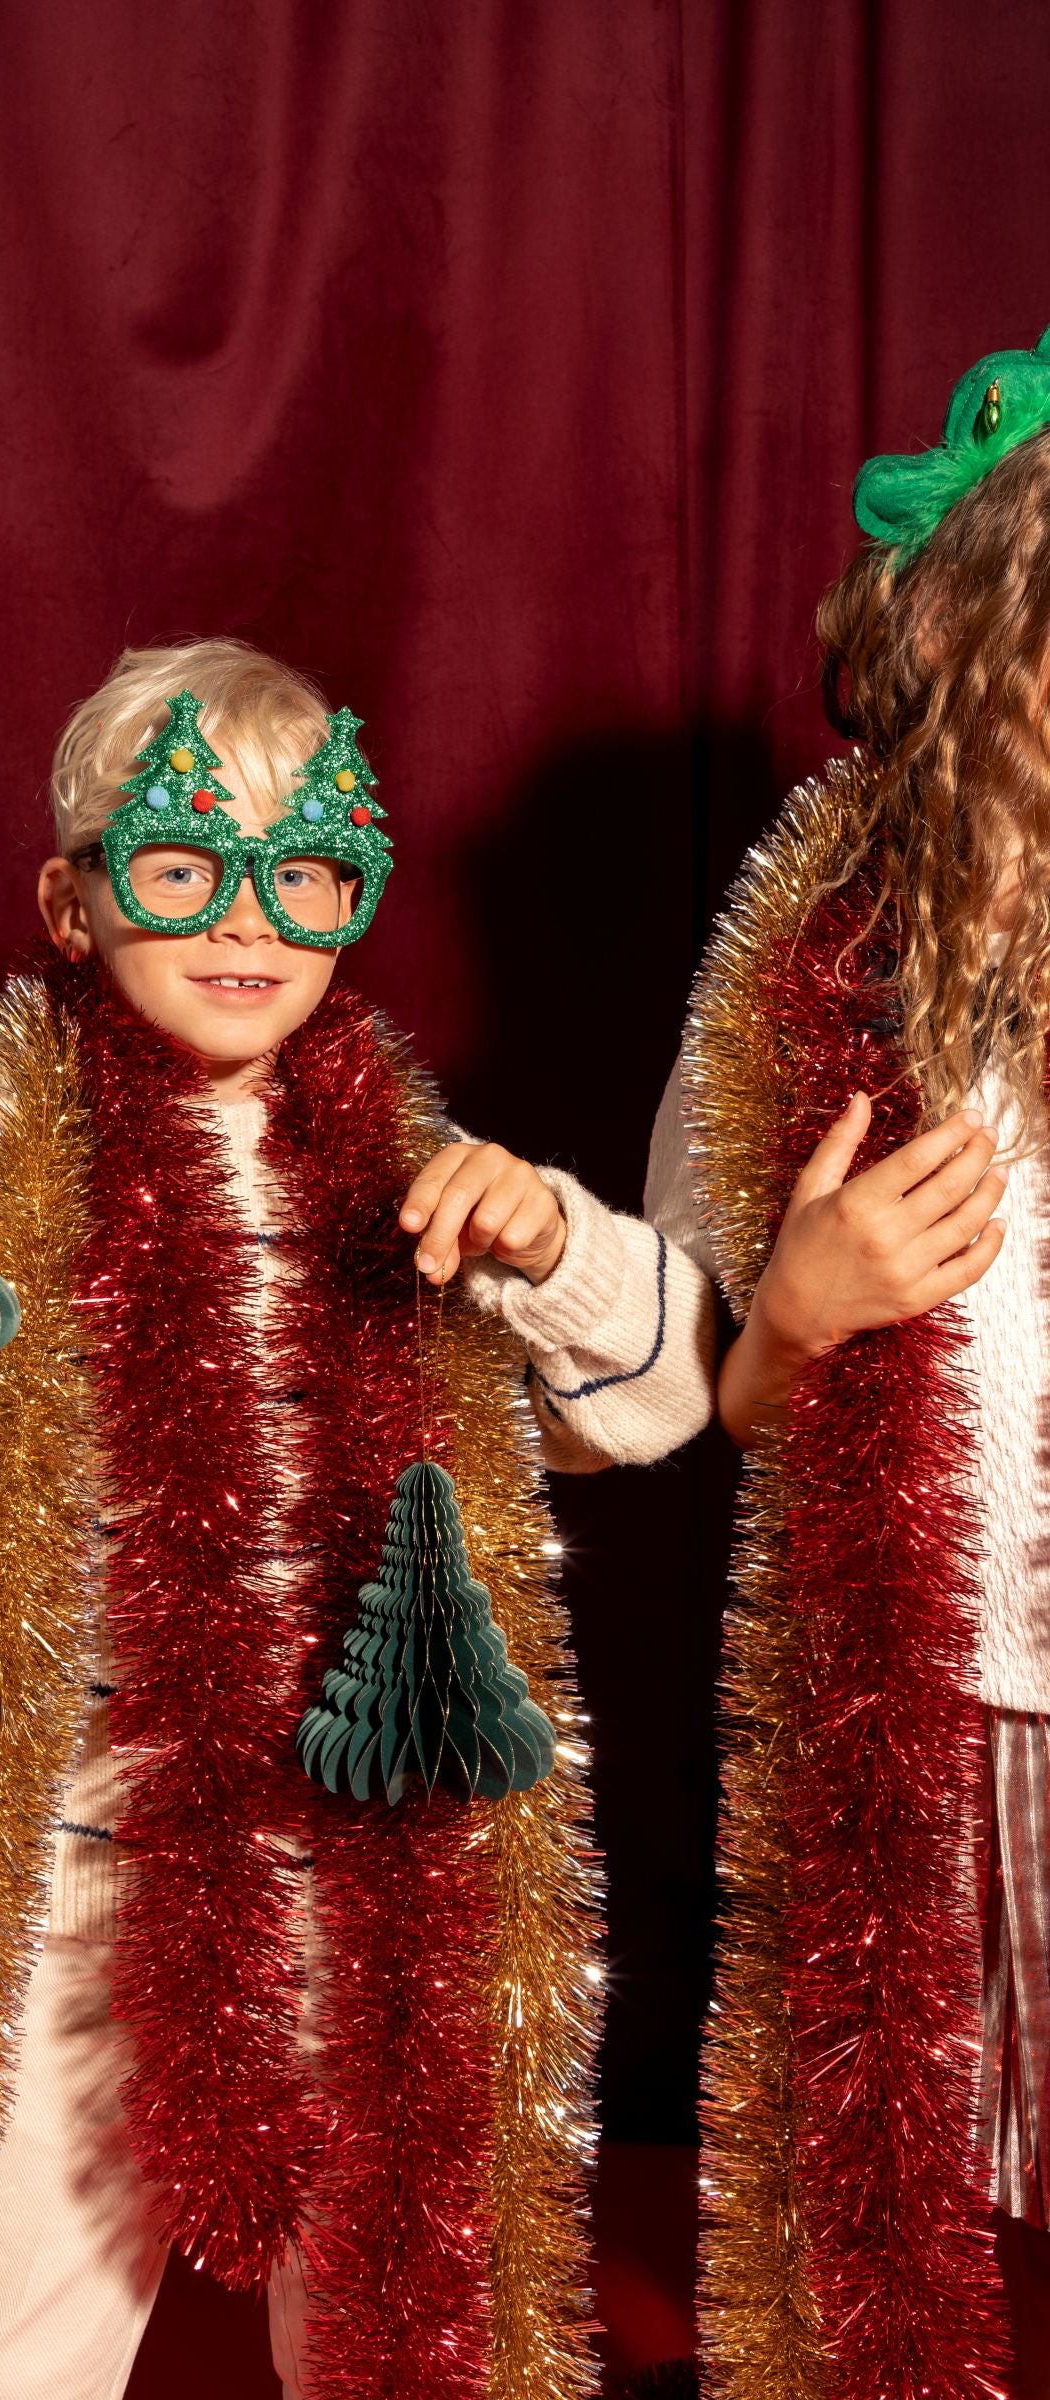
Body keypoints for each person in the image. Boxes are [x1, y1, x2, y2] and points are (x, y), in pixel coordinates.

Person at [0, 637, 715, 2400]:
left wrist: (549, 1238)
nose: (250, 924)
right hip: (34, 1900)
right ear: (73, 903)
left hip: (367, 1869)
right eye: (186, 867)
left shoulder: (414, 1180)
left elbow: (660, 1397)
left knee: (411, 2350)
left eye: (308, 875)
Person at [647, 328, 1050, 2398]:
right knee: (896, 2234)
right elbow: (703, 1392)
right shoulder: (811, 930)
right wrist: (796, 1306)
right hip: (933, 1704)